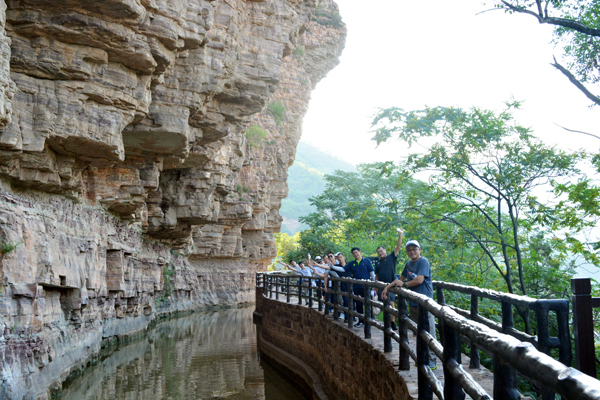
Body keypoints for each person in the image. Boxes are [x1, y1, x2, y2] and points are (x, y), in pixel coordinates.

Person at [382, 239, 436, 369]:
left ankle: (432, 360)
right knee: (419, 332)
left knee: (429, 333)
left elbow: (419, 280)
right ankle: (422, 357)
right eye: (409, 250)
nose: (412, 252)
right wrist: (387, 288)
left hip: (425, 303)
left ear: (419, 250)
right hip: (413, 303)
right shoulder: (408, 264)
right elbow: (398, 280)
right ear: (407, 252)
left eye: (414, 249)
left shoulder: (423, 262)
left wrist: (404, 284)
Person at [331, 247, 374, 328]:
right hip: (356, 287)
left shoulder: (367, 261)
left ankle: (369, 321)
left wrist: (373, 285)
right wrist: (332, 267)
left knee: (368, 304)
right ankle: (361, 321)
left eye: (356, 252)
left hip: (366, 286)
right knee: (358, 304)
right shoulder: (352, 263)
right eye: (354, 253)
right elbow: (343, 269)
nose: (355, 254)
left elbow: (371, 272)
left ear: (360, 252)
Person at [375, 227, 404, 331]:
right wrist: (376, 287)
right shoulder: (378, 263)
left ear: (385, 250)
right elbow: (377, 276)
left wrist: (400, 235)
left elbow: (398, 247)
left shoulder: (392, 257)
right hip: (382, 286)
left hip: (391, 285)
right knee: (385, 305)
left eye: (381, 251)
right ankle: (387, 322)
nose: (380, 253)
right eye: (378, 252)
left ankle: (392, 322)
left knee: (391, 304)